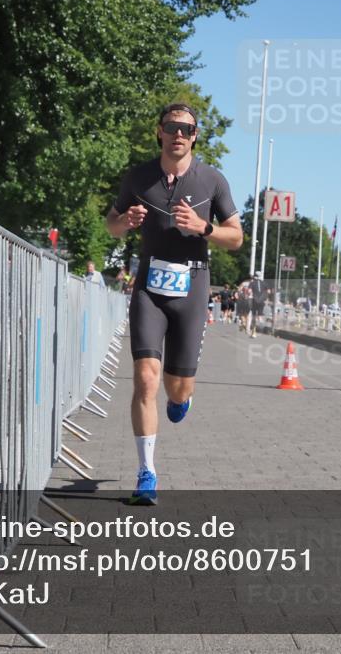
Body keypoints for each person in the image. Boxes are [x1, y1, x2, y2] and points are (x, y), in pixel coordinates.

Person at [106, 103, 243, 504]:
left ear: (195, 135)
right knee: (146, 378)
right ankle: (146, 473)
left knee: (177, 390)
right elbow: (111, 224)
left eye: (186, 128)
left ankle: (182, 397)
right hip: (149, 284)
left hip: (193, 284)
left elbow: (236, 237)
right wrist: (124, 223)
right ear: (160, 132)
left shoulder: (212, 181)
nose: (178, 134)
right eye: (171, 126)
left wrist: (204, 228)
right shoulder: (138, 177)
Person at [248, 272, 266, 337]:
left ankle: (253, 332)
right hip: (261, 301)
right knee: (259, 314)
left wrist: (250, 294)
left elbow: (249, 291)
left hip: (254, 300)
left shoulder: (252, 283)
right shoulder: (263, 283)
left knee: (253, 317)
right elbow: (269, 291)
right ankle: (260, 318)